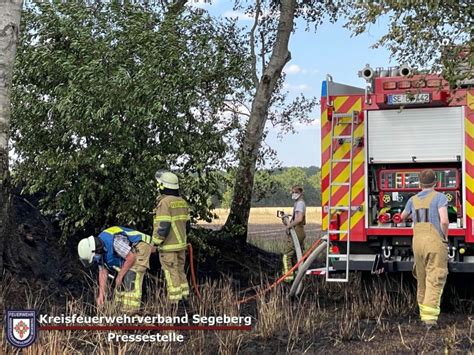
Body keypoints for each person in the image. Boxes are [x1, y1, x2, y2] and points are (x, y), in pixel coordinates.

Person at [400, 169, 449, 327]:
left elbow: (402, 217)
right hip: (434, 241)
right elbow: (445, 221)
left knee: (421, 278)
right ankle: (429, 320)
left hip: (417, 242)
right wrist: (445, 237)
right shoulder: (440, 197)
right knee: (435, 277)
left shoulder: (412, 199)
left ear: (420, 184)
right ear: (436, 182)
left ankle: (423, 314)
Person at [77, 226, 154, 312]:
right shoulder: (99, 250)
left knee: (130, 276)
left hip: (141, 244)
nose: (95, 260)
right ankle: (120, 310)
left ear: (96, 250)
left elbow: (131, 258)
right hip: (130, 252)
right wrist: (101, 295)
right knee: (120, 282)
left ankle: (132, 312)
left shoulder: (114, 242)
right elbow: (102, 272)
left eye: (93, 258)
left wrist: (120, 276)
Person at [153, 171, 191, 303]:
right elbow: (188, 226)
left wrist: (155, 242)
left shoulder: (165, 203)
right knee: (180, 270)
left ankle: (175, 301)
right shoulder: (182, 202)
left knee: (171, 272)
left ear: (162, 186)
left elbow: (163, 225)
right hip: (181, 245)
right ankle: (185, 297)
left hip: (168, 246)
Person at [282, 185, 306, 282]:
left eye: (295, 192)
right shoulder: (299, 203)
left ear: (300, 193)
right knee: (296, 256)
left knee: (286, 256)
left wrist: (289, 226)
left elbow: (299, 219)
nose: (293, 194)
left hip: (297, 231)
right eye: (292, 192)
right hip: (299, 230)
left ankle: (288, 279)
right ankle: (297, 277)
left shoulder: (300, 203)